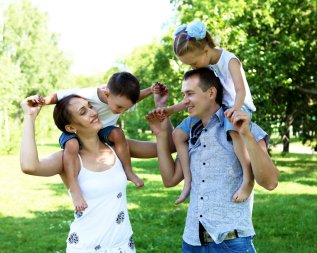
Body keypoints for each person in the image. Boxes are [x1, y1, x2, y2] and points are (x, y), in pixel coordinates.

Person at [146, 67, 279, 252]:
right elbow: (170, 180)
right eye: (184, 94)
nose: (185, 101)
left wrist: (247, 135)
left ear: (211, 93)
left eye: (190, 93)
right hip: (192, 241)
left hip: (231, 242)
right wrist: (161, 134)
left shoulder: (242, 126)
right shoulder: (190, 132)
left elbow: (271, 182)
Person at [21, 94, 139, 252]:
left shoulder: (117, 147)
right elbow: (29, 166)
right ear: (71, 128)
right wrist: (29, 116)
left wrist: (164, 116)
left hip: (123, 245)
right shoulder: (68, 158)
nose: (93, 112)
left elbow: (168, 146)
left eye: (90, 106)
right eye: (83, 112)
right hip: (86, 247)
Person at [35, 72, 166, 212]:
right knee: (72, 145)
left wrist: (150, 90)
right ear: (107, 94)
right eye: (120, 107)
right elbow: (58, 96)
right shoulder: (89, 95)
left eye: (125, 108)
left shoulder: (119, 98)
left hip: (101, 132)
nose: (122, 112)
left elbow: (131, 98)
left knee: (117, 133)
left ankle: (128, 170)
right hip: (73, 133)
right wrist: (43, 101)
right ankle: (74, 189)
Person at [161, 20, 257, 204]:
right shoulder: (205, 65)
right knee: (178, 133)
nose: (193, 68)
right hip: (217, 109)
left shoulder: (230, 60)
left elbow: (240, 90)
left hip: (238, 106)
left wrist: (235, 110)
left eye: (194, 63)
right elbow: (197, 96)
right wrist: (171, 110)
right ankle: (188, 180)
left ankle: (247, 179)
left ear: (206, 50)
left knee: (233, 130)